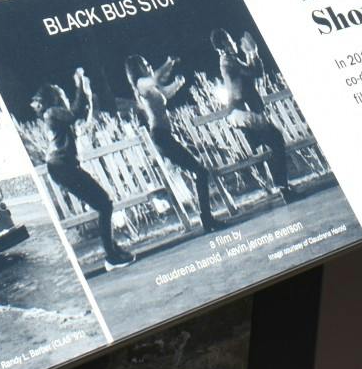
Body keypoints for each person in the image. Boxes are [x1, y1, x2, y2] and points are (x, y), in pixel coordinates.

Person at [31, 70, 133, 268]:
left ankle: (112, 250)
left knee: (103, 204)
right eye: (61, 93)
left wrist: (86, 93)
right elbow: (74, 113)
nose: (64, 96)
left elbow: (82, 117)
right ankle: (111, 256)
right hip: (62, 167)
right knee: (104, 203)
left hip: (64, 167)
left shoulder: (56, 116)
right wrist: (79, 85)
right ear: (54, 97)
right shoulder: (52, 112)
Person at [125, 53, 222, 232]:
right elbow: (155, 77)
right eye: (145, 64)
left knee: (199, 171)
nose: (148, 66)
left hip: (166, 135)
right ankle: (207, 220)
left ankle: (207, 219)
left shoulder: (151, 87)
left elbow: (166, 93)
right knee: (200, 171)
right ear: (137, 69)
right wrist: (168, 62)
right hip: (161, 136)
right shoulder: (141, 84)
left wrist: (178, 82)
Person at [212, 28, 297, 203]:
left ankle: (282, 186)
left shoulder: (231, 60)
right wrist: (253, 53)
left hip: (242, 113)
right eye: (229, 40)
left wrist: (252, 54)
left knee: (273, 141)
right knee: (276, 139)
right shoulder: (228, 61)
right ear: (223, 44)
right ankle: (283, 188)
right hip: (243, 112)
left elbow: (253, 73)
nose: (233, 42)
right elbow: (255, 73)